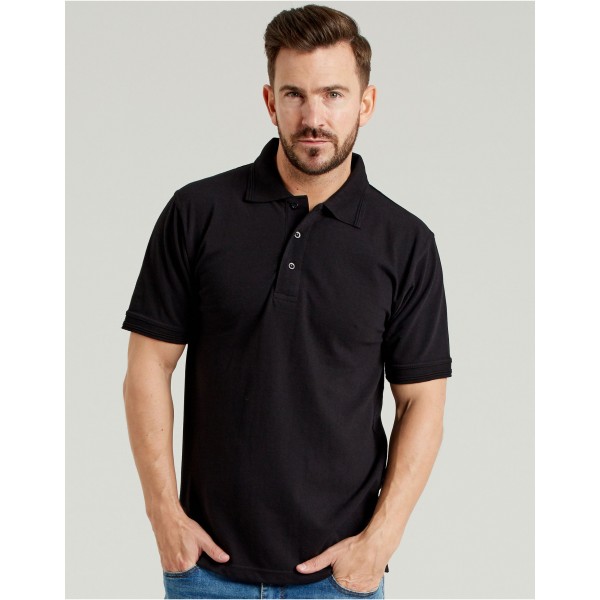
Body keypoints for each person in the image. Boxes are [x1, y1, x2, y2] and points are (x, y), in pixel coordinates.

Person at [122, 4, 452, 599]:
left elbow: (421, 401)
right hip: (206, 573)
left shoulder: (405, 243)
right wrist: (163, 517)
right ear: (270, 102)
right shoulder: (197, 213)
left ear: (366, 104)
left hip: (340, 581)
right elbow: (148, 364)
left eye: (333, 95)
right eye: (294, 94)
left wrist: (379, 543)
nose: (313, 117)